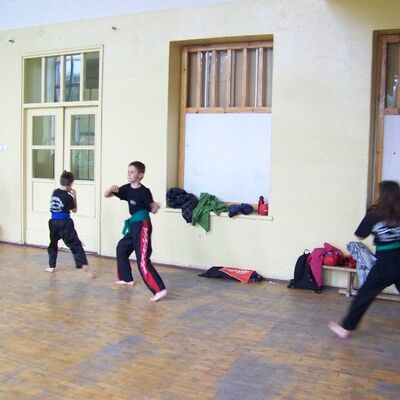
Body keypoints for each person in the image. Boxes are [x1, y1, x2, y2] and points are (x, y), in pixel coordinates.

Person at [329, 180, 400, 339]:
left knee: (365, 295)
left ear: (382, 195)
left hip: (386, 264)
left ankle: (345, 328)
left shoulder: (374, 215)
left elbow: (360, 236)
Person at [104, 161, 167, 302]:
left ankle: (159, 289)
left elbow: (152, 209)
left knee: (142, 260)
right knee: (122, 248)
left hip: (143, 226)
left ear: (140, 175)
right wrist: (110, 189)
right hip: (133, 226)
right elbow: (107, 195)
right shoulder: (126, 189)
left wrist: (156, 206)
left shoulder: (144, 191)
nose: (129, 174)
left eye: (132, 172)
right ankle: (126, 278)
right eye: (128, 171)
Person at [47, 171, 95, 277]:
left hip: (53, 222)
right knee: (75, 244)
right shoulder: (68, 197)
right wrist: (74, 196)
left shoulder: (55, 192)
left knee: (53, 243)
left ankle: (51, 266)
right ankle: (83, 264)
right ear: (70, 184)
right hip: (65, 223)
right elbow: (74, 210)